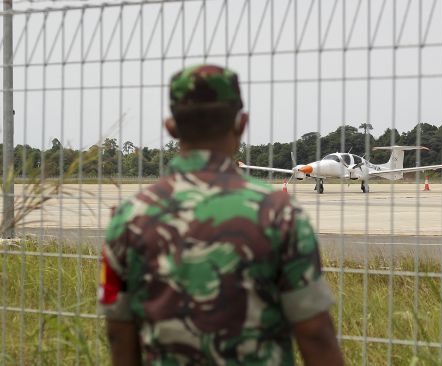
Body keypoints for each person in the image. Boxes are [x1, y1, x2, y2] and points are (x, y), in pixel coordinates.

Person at [98, 64, 344, 366]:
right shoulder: (280, 213)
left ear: (171, 127)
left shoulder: (128, 217)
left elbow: (119, 332)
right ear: (242, 123)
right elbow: (315, 332)